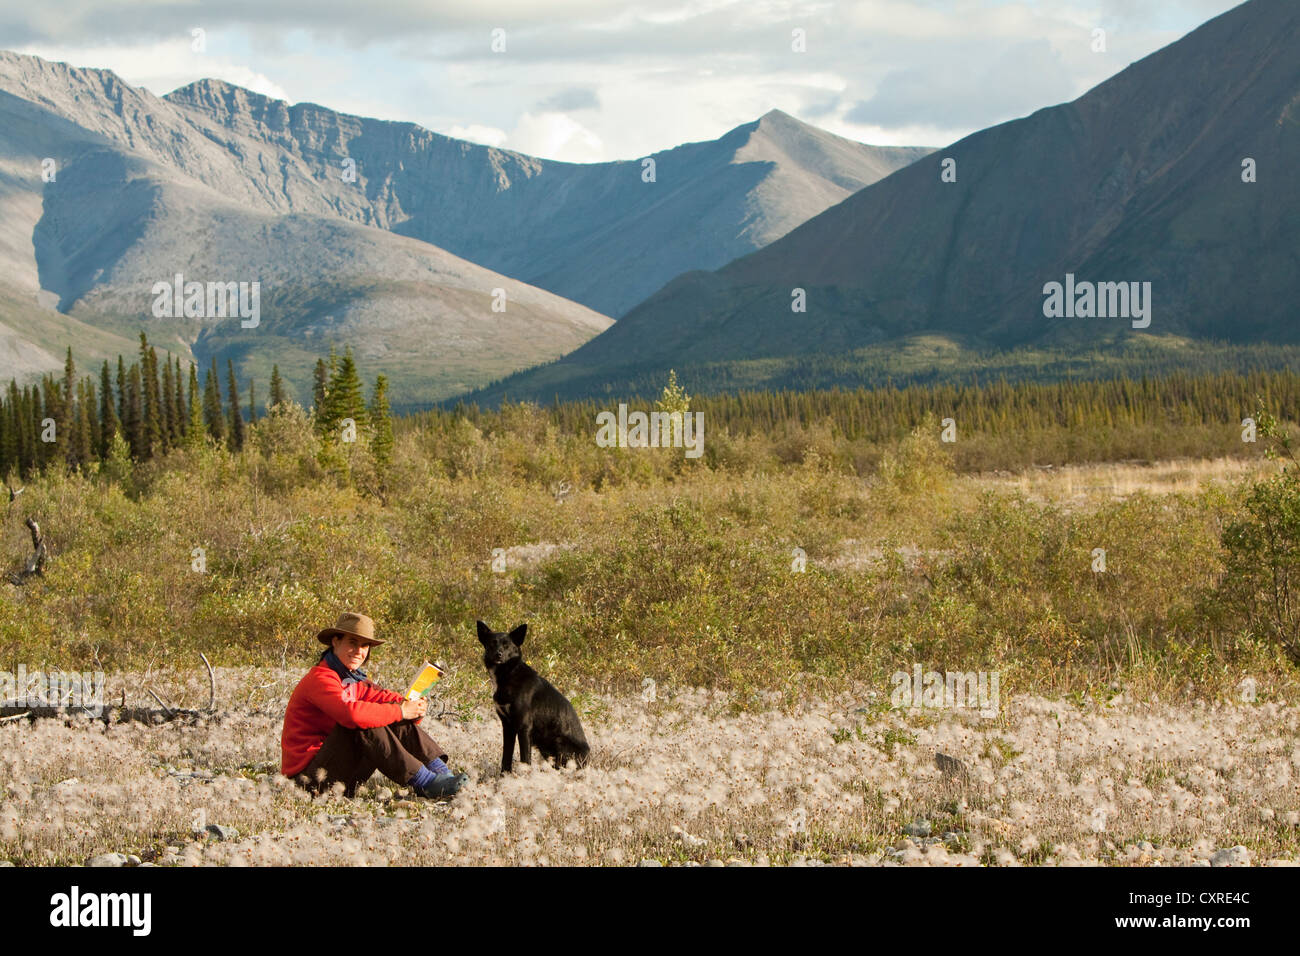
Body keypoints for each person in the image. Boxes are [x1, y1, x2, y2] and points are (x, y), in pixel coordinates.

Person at [280, 611, 469, 799]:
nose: (359, 651)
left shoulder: (354, 680)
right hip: (308, 782)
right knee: (362, 722)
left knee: (386, 712)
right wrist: (401, 710)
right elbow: (352, 715)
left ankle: (443, 775)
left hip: (341, 776)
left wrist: (413, 708)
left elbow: (387, 699)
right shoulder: (320, 678)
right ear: (335, 642)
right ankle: (425, 782)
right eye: (352, 643)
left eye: (364, 645)